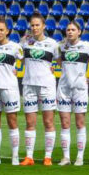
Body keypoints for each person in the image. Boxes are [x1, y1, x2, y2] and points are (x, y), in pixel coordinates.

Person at [20, 12, 60, 166]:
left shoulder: (53, 44)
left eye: (38, 25)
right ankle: (29, 157)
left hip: (47, 86)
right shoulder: (25, 43)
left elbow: (61, 61)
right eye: (33, 25)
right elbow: (17, 57)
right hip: (29, 85)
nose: (35, 28)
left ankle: (48, 157)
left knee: (48, 122)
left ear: (44, 26)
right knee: (30, 122)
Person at [56, 20, 89, 166]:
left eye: (73, 30)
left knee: (80, 123)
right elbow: (57, 60)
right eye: (68, 30)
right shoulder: (60, 46)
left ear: (79, 32)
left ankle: (79, 157)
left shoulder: (87, 46)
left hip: (80, 89)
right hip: (64, 88)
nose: (70, 32)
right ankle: (65, 157)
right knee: (65, 123)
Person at [0, 17, 24, 165]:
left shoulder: (15, 47)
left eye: (1, 30)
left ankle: (15, 156)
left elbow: (26, 59)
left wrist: (17, 70)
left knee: (12, 121)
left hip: (9, 88)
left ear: (7, 31)